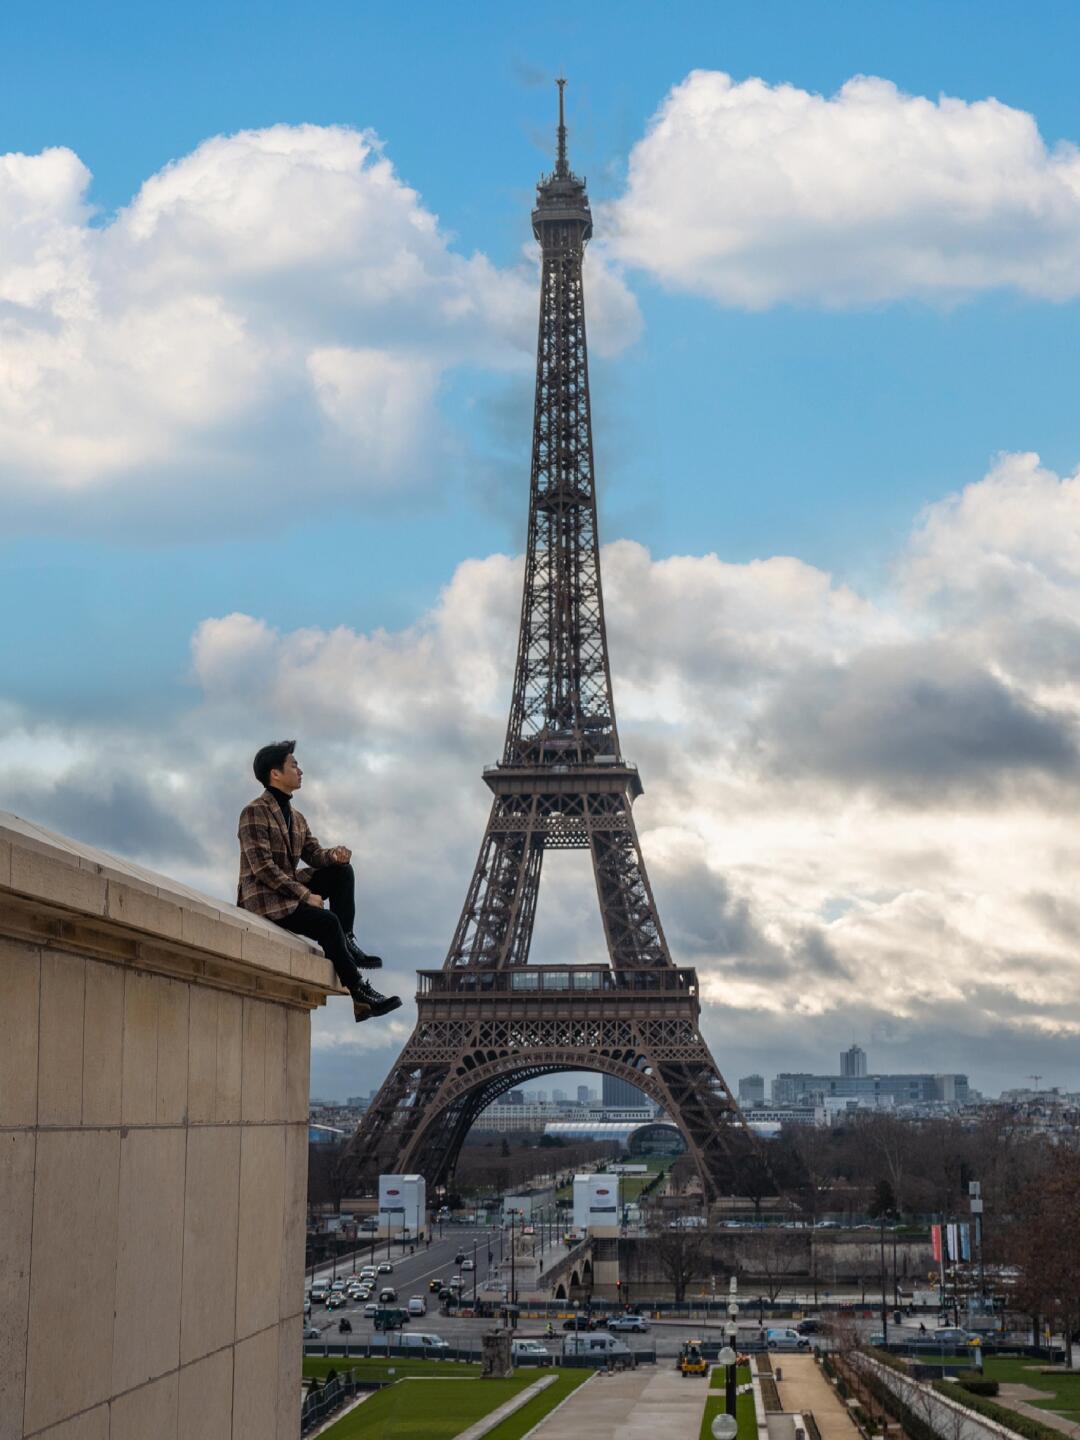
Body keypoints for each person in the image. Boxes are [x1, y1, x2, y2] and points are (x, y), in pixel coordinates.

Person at [237, 740, 401, 1023]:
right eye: (294, 764)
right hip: (264, 899)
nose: (300, 770)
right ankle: (360, 992)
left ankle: (347, 940)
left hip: (287, 890)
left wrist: (335, 855)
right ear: (275, 773)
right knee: (327, 923)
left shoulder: (296, 817)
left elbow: (313, 854)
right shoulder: (254, 811)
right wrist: (304, 895)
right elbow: (262, 867)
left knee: (342, 871)